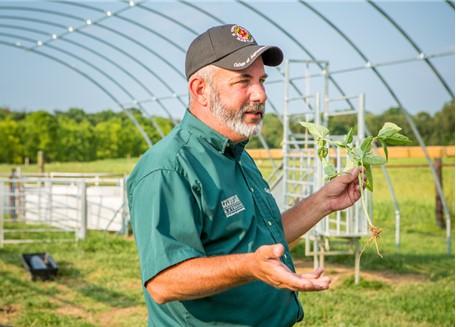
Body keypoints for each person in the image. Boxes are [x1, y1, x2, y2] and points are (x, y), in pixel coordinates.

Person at [127, 24, 365, 327]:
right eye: (244, 81)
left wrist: (322, 203)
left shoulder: (238, 154)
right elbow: (164, 282)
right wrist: (251, 267)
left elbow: (260, 236)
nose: (261, 94)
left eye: (262, 80)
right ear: (201, 89)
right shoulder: (168, 167)